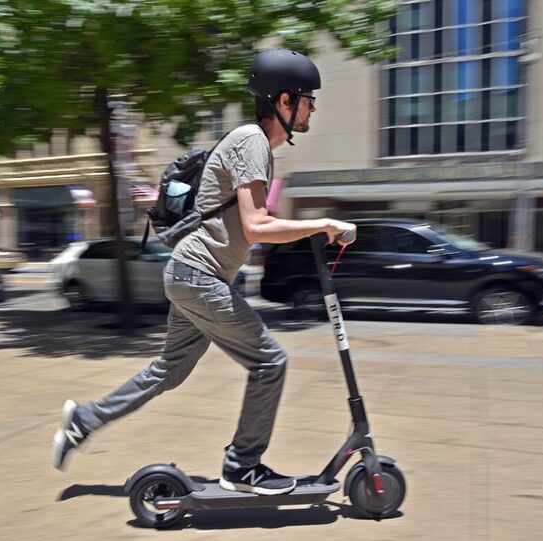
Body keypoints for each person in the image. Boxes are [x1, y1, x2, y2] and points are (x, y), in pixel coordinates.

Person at [53, 48, 356, 496]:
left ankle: (85, 419)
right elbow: (257, 226)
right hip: (200, 276)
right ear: (285, 100)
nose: (313, 107)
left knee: (168, 371)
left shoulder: (255, 145)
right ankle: (243, 467)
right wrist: (324, 224)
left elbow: (248, 225)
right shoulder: (252, 141)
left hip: (191, 275)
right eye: (309, 99)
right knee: (270, 361)